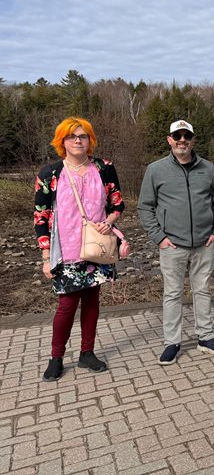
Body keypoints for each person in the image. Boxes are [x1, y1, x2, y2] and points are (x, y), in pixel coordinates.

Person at [35, 117, 127, 382]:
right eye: (72, 136)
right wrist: (45, 256)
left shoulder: (104, 168)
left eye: (83, 136)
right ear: (62, 142)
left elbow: (117, 204)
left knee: (92, 301)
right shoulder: (50, 173)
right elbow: (40, 216)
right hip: (65, 252)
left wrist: (108, 223)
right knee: (66, 305)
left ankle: (87, 353)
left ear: (90, 140)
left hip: (97, 248)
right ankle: (56, 358)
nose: (78, 140)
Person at [138, 119, 214, 365]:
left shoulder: (207, 168)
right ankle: (172, 342)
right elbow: (145, 207)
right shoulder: (155, 170)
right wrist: (160, 237)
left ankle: (205, 337)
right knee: (173, 293)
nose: (182, 141)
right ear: (169, 140)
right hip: (172, 245)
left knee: (203, 290)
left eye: (186, 136)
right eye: (177, 136)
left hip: (204, 242)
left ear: (193, 140)